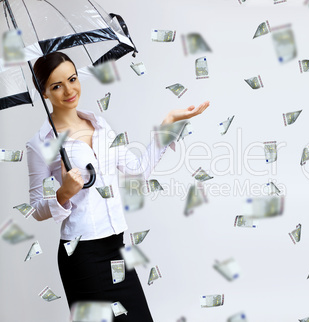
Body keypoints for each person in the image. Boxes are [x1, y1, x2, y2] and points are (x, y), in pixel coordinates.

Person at [26, 51, 209, 321]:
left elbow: (138, 171)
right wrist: (63, 193)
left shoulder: (100, 126)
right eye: (56, 86)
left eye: (73, 79)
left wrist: (167, 124)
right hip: (81, 256)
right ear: (44, 93)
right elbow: (36, 208)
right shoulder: (39, 144)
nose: (69, 90)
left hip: (117, 250)